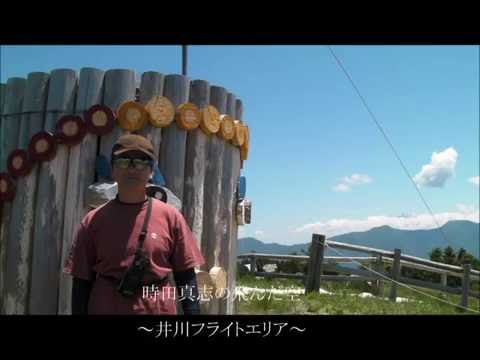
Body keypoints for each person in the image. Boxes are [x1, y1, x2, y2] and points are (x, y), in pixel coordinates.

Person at [64, 134, 205, 315]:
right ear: (113, 169)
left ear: (151, 171)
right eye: (124, 161)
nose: (132, 168)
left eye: (140, 162)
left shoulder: (171, 217)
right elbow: (81, 283)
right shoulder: (93, 221)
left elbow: (185, 276)